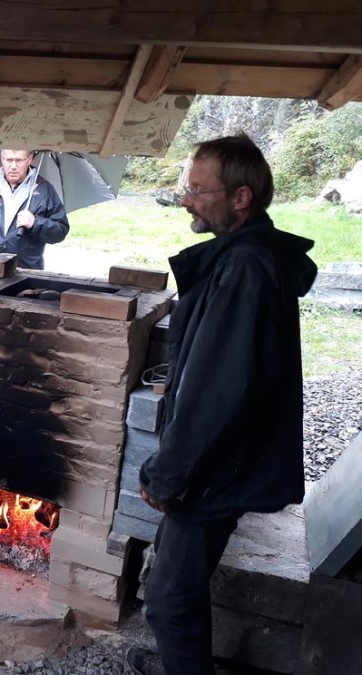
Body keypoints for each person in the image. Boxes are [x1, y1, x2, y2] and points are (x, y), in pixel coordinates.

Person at [127, 135, 317, 675]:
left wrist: (168, 473)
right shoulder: (244, 259)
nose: (186, 200)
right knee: (176, 583)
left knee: (168, 598)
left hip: (216, 467)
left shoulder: (245, 270)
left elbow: (216, 390)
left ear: (240, 198)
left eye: (196, 190)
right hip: (225, 462)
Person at [0, 149, 69, 277]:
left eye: (19, 160)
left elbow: (60, 231)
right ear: (2, 159)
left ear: (29, 159)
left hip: (26, 275)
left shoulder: (44, 191)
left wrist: (35, 223)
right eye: (9, 160)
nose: (13, 166)